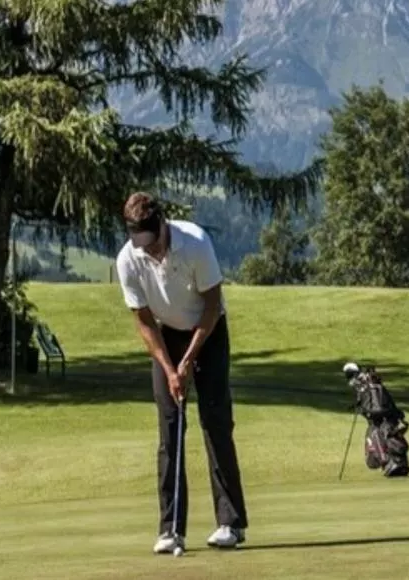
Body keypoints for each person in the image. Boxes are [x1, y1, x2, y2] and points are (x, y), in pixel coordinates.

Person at [114, 192, 249, 554]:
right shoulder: (129, 259)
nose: (150, 251)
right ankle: (171, 529)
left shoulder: (195, 243)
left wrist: (190, 358)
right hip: (165, 335)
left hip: (208, 331)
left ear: (162, 223)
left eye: (152, 241)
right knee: (170, 428)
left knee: (215, 422)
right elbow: (143, 321)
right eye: (140, 243)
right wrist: (170, 368)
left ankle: (230, 523)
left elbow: (211, 306)